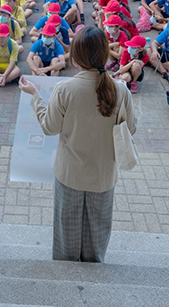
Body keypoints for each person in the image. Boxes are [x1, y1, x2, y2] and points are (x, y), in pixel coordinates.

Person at [18, 26, 135, 262]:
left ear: (77, 57)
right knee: (97, 232)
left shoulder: (65, 89)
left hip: (70, 174)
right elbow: (129, 129)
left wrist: (35, 97)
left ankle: (67, 276)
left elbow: (50, 127)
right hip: (102, 175)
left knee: (66, 234)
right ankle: (93, 271)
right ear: (104, 54)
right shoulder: (120, 90)